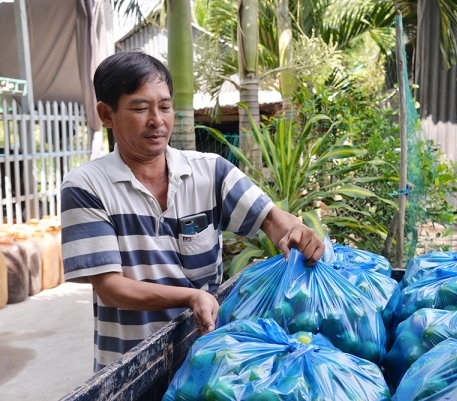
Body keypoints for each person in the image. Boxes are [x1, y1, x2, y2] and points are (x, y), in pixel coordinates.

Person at [60, 50, 325, 372]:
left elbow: (271, 218)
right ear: (106, 114)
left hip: (208, 359)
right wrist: (189, 297)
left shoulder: (211, 172)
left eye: (165, 107)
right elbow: (111, 288)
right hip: (131, 370)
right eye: (140, 108)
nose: (157, 120)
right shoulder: (86, 186)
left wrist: (295, 231)